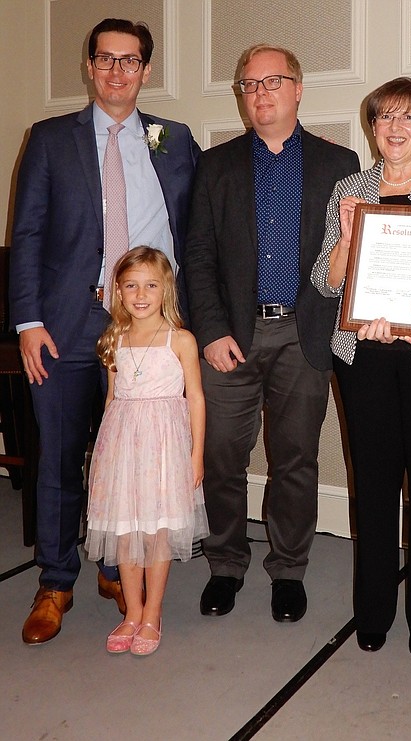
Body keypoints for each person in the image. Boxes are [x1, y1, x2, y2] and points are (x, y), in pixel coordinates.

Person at [9, 18, 200, 644]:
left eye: (131, 60)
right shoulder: (48, 139)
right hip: (66, 323)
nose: (118, 70)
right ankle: (56, 581)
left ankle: (120, 569)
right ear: (89, 66)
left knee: (135, 456)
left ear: (146, 70)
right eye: (106, 59)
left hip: (146, 327)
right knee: (61, 457)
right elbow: (28, 234)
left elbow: (196, 234)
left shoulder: (175, 141)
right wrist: (29, 321)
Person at [184, 44, 359, 623]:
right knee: (222, 455)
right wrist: (209, 330)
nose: (260, 93)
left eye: (273, 81)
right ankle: (226, 564)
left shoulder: (341, 165)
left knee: (294, 460)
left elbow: (354, 256)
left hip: (305, 337)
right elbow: (199, 256)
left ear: (298, 88)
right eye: (249, 84)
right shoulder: (216, 165)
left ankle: (289, 570)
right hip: (231, 335)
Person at [311, 78, 411, 657]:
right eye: (383, 119)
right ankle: (372, 609)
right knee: (372, 485)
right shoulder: (350, 188)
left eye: (407, 118)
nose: (395, 128)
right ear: (372, 128)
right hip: (364, 355)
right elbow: (326, 282)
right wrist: (349, 236)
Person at [85, 247, 208, 655]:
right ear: (118, 292)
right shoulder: (114, 340)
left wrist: (196, 454)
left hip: (164, 448)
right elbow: (112, 400)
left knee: (157, 530)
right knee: (126, 530)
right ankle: (132, 613)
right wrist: (104, 458)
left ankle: (153, 612)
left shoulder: (181, 340)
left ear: (165, 290)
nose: (141, 294)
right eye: (131, 285)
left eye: (150, 285)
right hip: (122, 446)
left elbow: (195, 399)